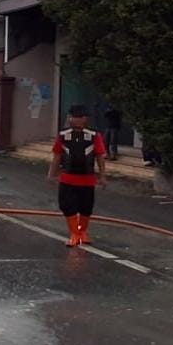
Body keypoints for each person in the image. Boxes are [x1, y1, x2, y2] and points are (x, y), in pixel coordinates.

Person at [48, 104, 107, 247]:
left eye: (78, 117)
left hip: (87, 179)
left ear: (85, 119)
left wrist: (102, 176)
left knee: (86, 207)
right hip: (68, 178)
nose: (74, 119)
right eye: (72, 117)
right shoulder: (63, 135)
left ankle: (82, 232)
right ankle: (74, 233)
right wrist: (51, 174)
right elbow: (57, 156)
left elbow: (100, 156)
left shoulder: (94, 136)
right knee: (67, 206)